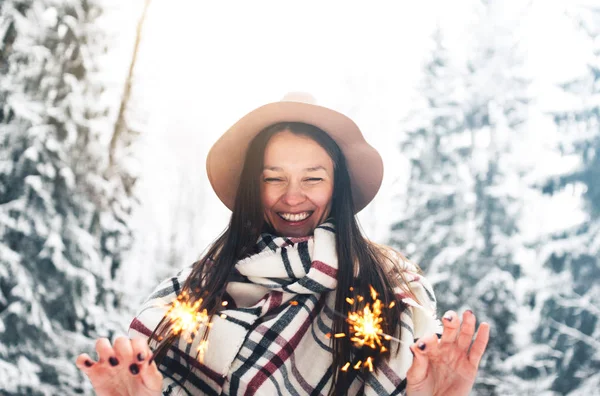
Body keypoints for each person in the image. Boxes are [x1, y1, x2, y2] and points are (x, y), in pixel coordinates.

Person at [76, 93, 490, 395]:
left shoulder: (390, 287)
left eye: (312, 178)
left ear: (338, 187)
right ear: (253, 188)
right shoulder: (195, 290)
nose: (293, 197)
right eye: (273, 178)